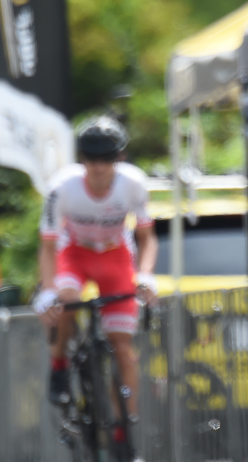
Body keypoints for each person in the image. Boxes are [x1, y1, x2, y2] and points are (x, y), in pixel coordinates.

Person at [32, 115, 158, 439]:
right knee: (67, 302)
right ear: (81, 159)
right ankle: (59, 363)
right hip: (74, 253)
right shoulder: (61, 189)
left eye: (106, 159)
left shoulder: (133, 184)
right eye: (91, 159)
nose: (99, 167)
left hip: (115, 255)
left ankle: (123, 433)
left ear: (120, 158)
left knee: (123, 347)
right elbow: (47, 247)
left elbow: (146, 237)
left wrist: (145, 274)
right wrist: (48, 291)